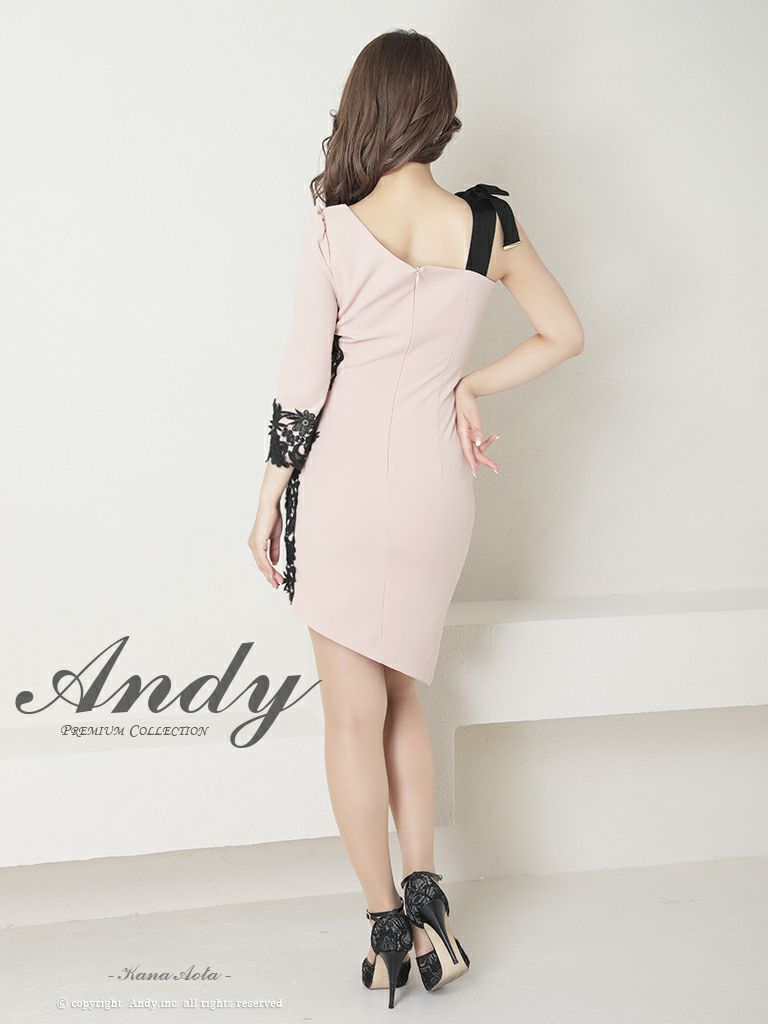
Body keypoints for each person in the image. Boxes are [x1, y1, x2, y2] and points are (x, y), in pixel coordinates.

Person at [248, 28, 584, 1009]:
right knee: (406, 698)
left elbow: (304, 384)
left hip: (346, 484)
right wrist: (470, 382)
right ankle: (431, 900)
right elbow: (565, 333)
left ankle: (385, 929)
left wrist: (268, 493)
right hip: (438, 487)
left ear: (367, 106)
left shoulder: (332, 227)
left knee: (353, 713)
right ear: (439, 112)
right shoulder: (489, 226)